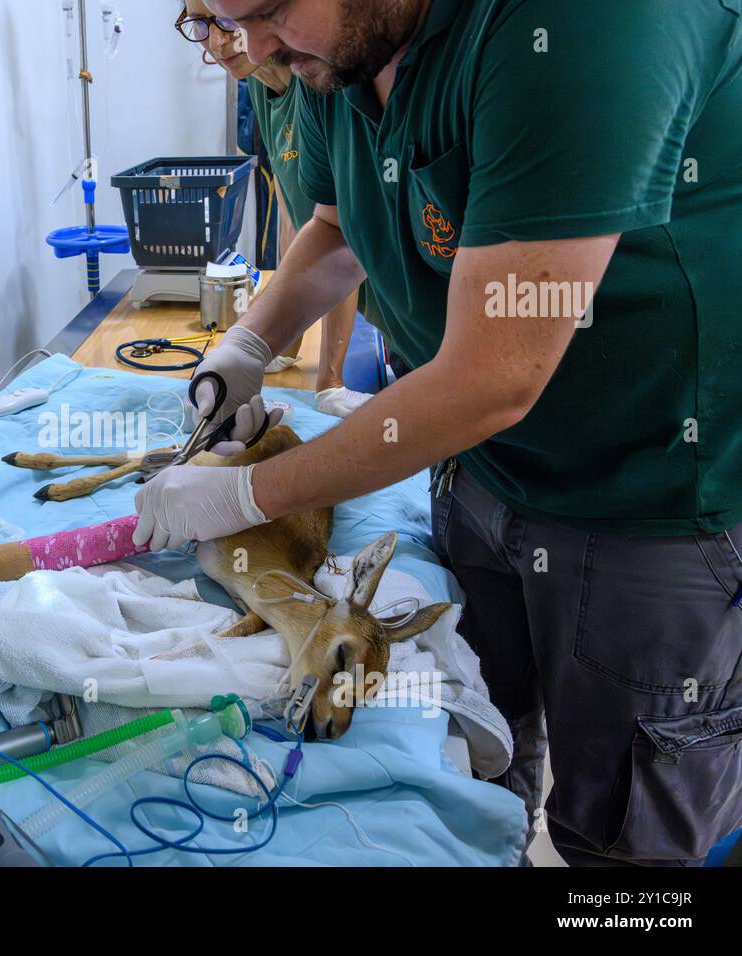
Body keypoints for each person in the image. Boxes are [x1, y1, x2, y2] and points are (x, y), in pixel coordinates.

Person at [138, 0, 742, 867]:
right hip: (478, 470)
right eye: (221, 16)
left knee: (628, 845)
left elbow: (490, 379)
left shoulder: (588, 24)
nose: (253, 47)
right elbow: (339, 231)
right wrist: (247, 343)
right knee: (475, 754)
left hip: (650, 493)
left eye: (268, 10)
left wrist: (245, 494)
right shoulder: (337, 48)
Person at [177, 0, 371, 417]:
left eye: (226, 22)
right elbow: (294, 218)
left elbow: (345, 236)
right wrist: (275, 344)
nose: (216, 41)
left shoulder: (321, 81)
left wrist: (330, 382)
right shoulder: (261, 87)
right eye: (200, 24)